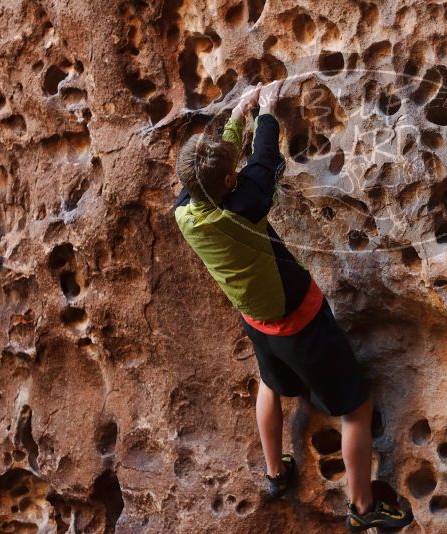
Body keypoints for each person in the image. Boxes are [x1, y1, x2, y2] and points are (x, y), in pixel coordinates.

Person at [172, 80, 413, 532]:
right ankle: (364, 508)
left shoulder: (186, 209)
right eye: (232, 176)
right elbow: (264, 161)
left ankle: (276, 472)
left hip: (257, 322)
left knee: (270, 383)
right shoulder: (245, 205)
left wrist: (238, 115)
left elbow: (213, 171)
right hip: (299, 322)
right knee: (355, 411)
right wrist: (265, 111)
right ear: (230, 183)